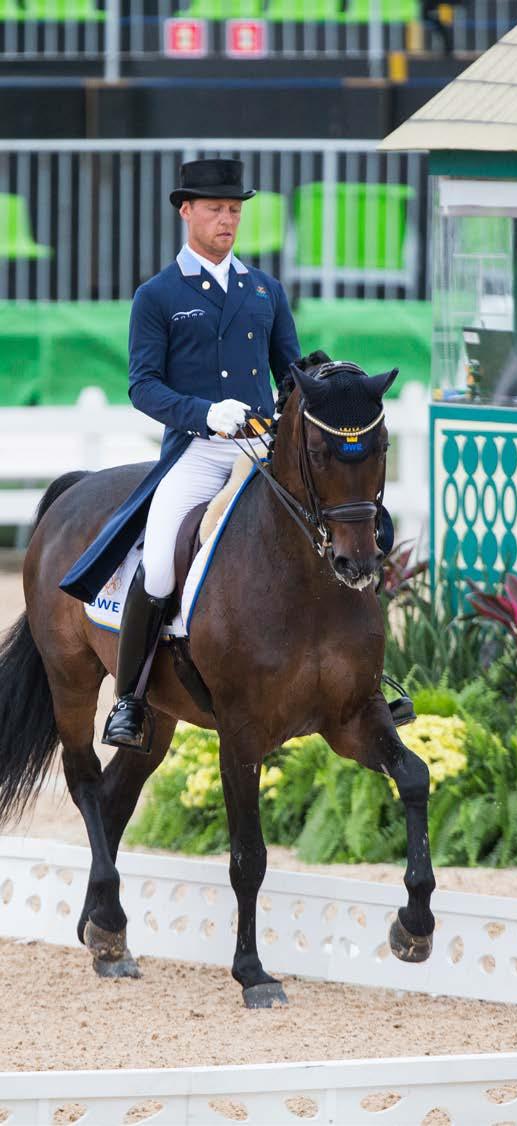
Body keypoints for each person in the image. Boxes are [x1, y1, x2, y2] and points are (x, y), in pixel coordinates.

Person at [60, 158, 300, 750]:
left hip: (259, 452)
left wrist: (314, 382)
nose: (228, 220)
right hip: (197, 453)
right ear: (186, 210)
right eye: (216, 209)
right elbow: (142, 385)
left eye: (236, 211)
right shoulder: (159, 295)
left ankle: (350, 680)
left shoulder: (264, 290)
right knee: (162, 560)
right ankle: (131, 701)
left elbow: (289, 372)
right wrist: (201, 414)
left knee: (327, 536)